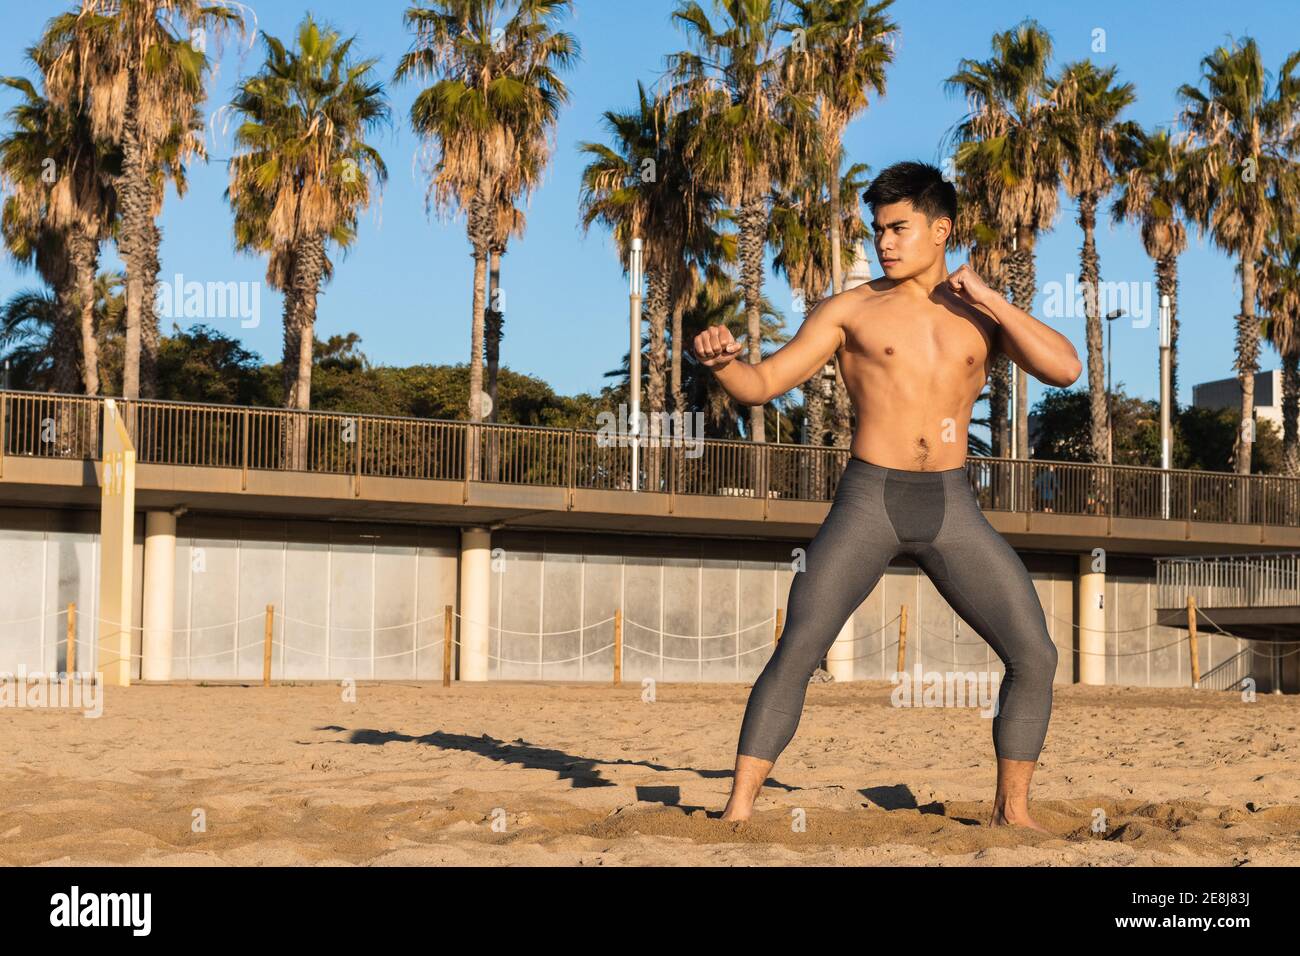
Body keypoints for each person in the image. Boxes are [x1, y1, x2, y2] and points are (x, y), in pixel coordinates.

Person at [690, 160, 1081, 833]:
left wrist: (991, 299)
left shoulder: (980, 317)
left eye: (899, 227)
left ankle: (1012, 813)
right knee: (801, 646)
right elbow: (762, 385)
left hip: (953, 505)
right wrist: (726, 365)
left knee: (1035, 655)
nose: (885, 242)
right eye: (878, 230)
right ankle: (737, 808)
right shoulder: (851, 310)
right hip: (869, 500)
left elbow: (1065, 368)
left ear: (941, 230)